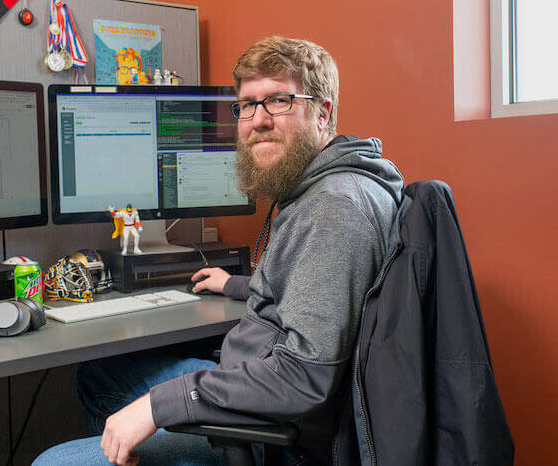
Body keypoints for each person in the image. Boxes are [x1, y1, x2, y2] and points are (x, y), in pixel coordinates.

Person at [34, 36, 404, 465]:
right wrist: (237, 284)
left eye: (279, 101)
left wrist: (159, 407)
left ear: (322, 112)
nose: (257, 120)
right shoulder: (326, 188)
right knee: (99, 375)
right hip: (256, 381)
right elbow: (313, 290)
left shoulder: (334, 209)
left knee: (53, 462)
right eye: (247, 105)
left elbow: (303, 378)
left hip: (275, 432)